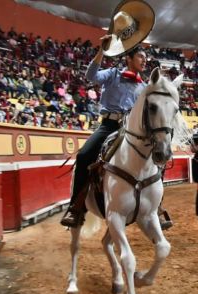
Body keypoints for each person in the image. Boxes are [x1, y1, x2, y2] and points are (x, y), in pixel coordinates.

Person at [61, 1, 155, 227]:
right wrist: (101, 51)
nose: (144, 60)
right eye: (140, 57)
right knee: (84, 157)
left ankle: (156, 206)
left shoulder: (144, 87)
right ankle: (76, 207)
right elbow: (90, 75)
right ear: (129, 59)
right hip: (109, 127)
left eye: (144, 58)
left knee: (155, 157)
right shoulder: (113, 74)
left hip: (130, 130)